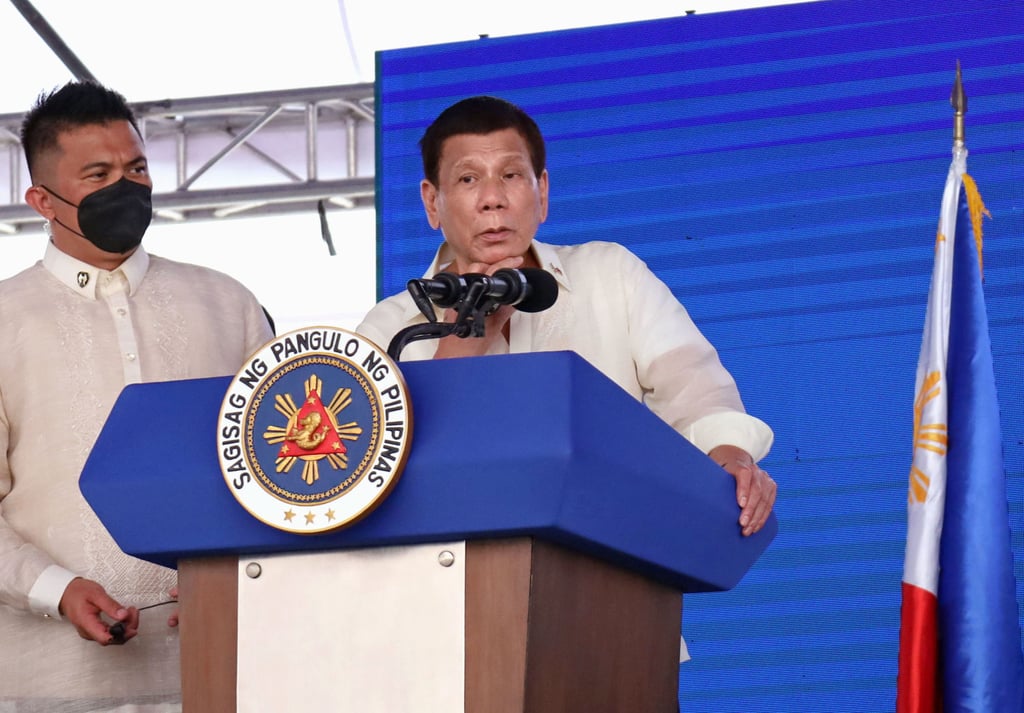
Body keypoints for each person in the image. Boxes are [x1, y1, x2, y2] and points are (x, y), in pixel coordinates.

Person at [358, 94, 776, 537]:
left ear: (542, 192)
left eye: (511, 175)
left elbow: (696, 392)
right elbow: (362, 479)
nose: (492, 199)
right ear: (432, 203)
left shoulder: (610, 275)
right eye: (467, 179)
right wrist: (461, 346)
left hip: (609, 546)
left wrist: (730, 459)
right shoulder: (389, 329)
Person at [0, 82, 274, 710]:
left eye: (137, 168)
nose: (125, 187)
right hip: (51, 683)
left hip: (222, 666)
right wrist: (56, 590)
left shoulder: (227, 302)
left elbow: (282, 475)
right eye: (98, 175)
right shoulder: (4, 319)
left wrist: (236, 571)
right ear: (42, 201)